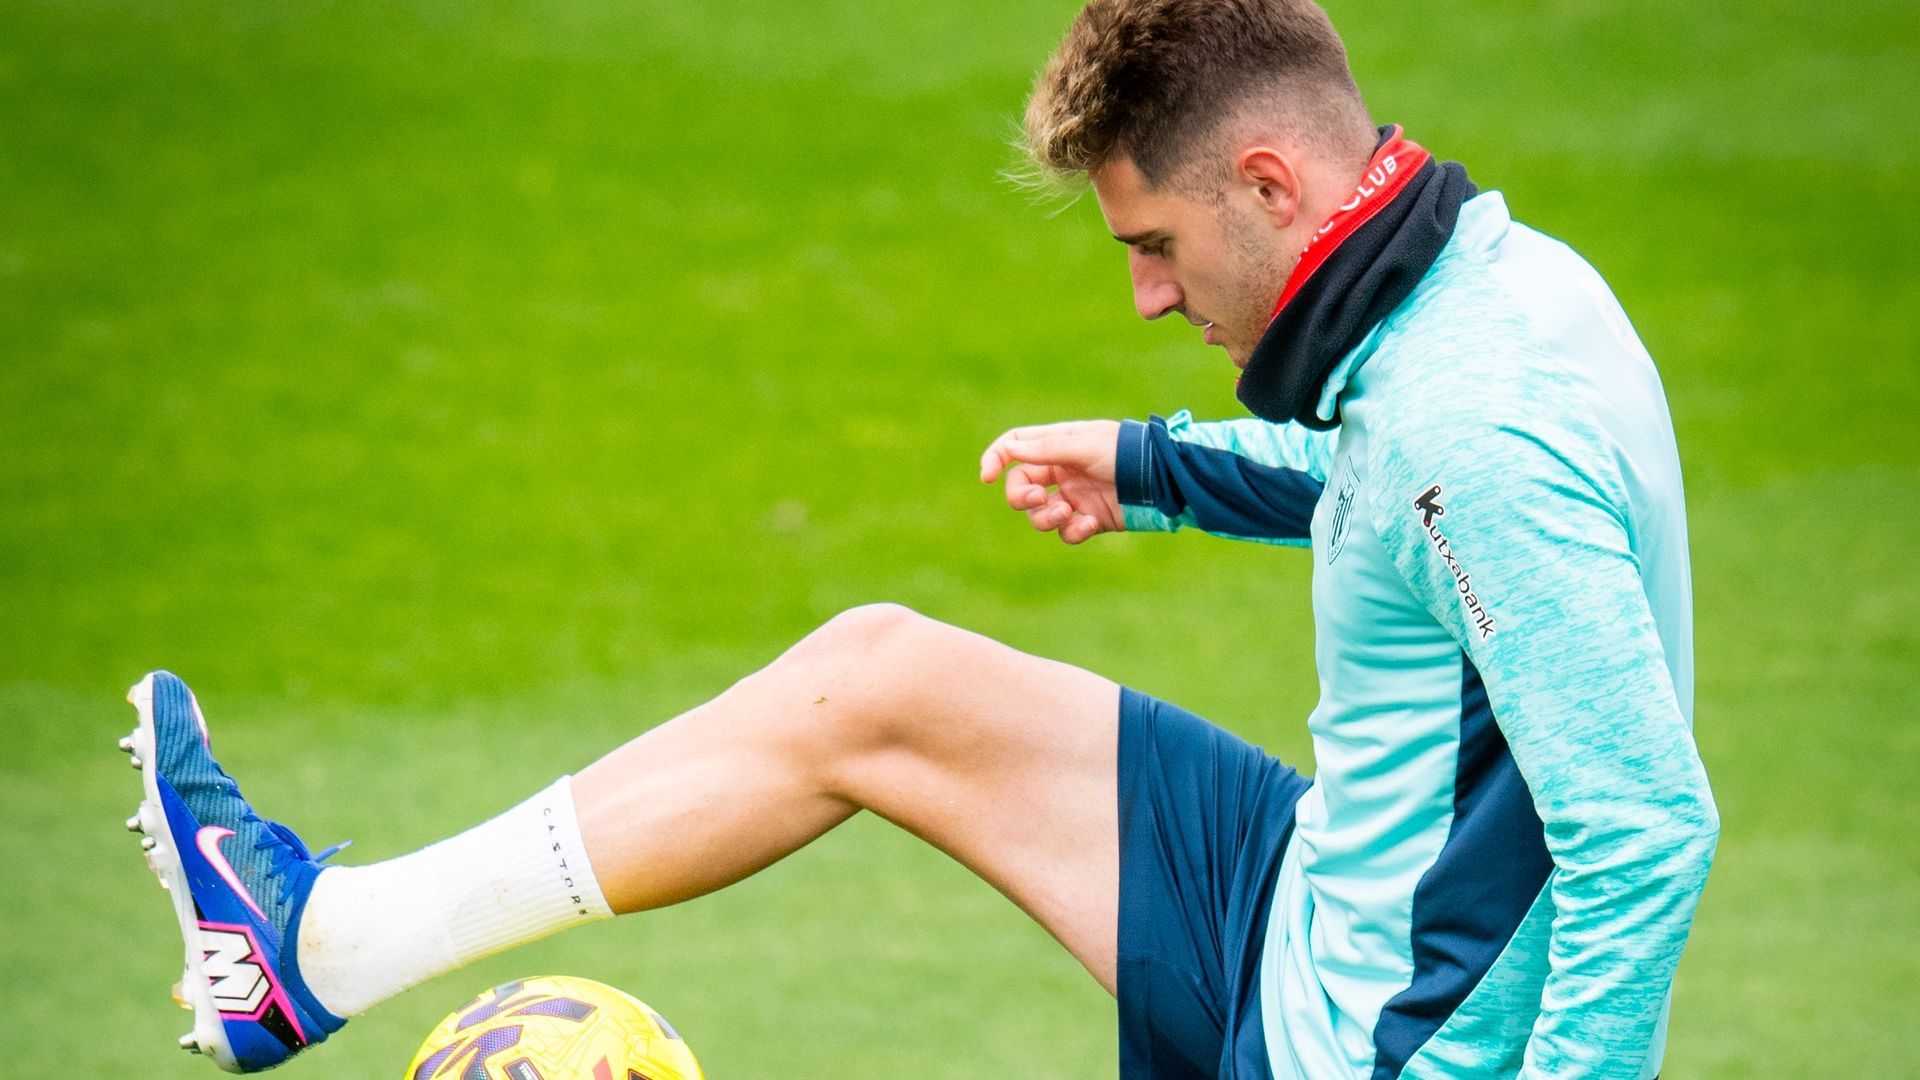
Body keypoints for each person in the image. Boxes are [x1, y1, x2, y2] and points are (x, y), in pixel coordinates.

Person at [122, 0, 1719, 1076]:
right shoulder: (1497, 293)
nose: (1151, 295)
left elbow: (1645, 837)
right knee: (878, 680)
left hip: (1370, 1033)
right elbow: (1401, 498)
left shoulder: (1468, 432)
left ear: (1266, 180)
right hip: (1329, 889)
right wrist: (1154, 463)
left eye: (1155, 245)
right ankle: (315, 947)